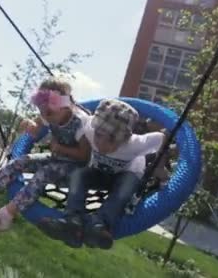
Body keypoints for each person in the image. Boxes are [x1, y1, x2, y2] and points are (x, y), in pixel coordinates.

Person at [0, 77, 91, 231]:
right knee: (20, 161)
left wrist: (60, 148)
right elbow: (38, 124)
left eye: (48, 113)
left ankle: (4, 216)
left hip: (76, 170)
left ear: (65, 105)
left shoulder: (81, 122)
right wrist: (29, 124)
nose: (46, 117)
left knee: (44, 172)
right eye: (41, 111)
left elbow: (85, 157)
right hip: (56, 159)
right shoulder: (50, 113)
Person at [38, 99, 170, 249]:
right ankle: (73, 220)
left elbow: (164, 138)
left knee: (127, 185)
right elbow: (66, 112)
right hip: (98, 173)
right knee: (79, 175)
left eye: (112, 140)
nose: (102, 143)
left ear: (125, 138)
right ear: (95, 128)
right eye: (99, 135)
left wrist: (159, 167)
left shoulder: (135, 143)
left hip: (124, 176)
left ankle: (99, 224)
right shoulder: (89, 127)